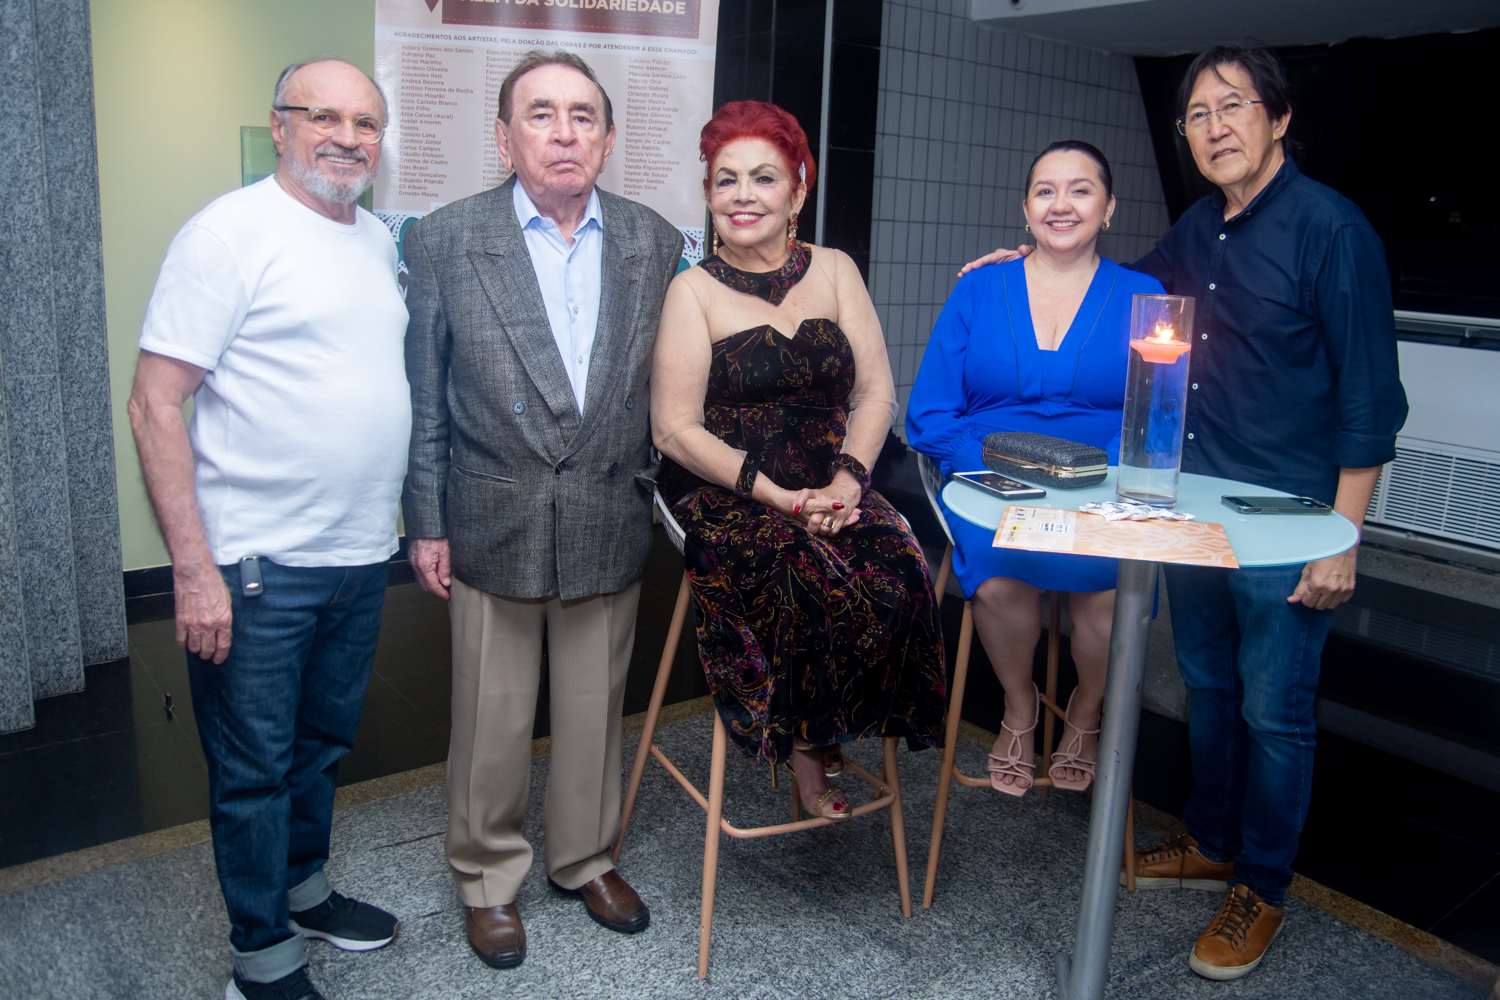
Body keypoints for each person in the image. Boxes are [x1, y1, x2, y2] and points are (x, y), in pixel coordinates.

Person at [960, 46, 1407, 981]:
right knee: (1209, 683)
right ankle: (1210, 840)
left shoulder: (1333, 231)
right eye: (1198, 115)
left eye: (1233, 106)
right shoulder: (1200, 229)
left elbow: (1372, 398)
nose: (1215, 128)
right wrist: (1030, 264)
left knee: (1276, 711)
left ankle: (1263, 886)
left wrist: (1344, 537)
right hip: (1193, 504)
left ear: (1279, 119)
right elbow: (1117, 284)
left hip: (1290, 519)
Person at [128, 60, 407, 1000]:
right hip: (255, 565)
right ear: (280, 126)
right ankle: (260, 952)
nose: (347, 137)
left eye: (365, 122)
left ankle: (303, 889)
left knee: (320, 745)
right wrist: (192, 571)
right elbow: (154, 405)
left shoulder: (374, 240)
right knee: (251, 769)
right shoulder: (227, 234)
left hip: (357, 554)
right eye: (323, 116)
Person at [401, 50, 683, 970]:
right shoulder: (445, 240)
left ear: (608, 137)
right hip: (493, 514)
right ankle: (486, 876)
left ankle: (586, 859)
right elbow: (427, 398)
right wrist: (426, 520)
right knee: (491, 714)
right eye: (541, 115)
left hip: (606, 508)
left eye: (583, 116)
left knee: (597, 707)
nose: (565, 134)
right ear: (503, 137)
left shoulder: (654, 241)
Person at [651, 100, 947, 819]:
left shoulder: (837, 270)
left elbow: (876, 394)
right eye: (726, 180)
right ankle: (808, 751)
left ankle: (837, 722)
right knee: (796, 568)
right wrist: (779, 497)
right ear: (708, 195)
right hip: (725, 486)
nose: (743, 195)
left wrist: (848, 484)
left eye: (764, 178)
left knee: (902, 563)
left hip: (833, 477)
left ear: (798, 192)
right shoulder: (691, 290)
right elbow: (674, 430)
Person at [906, 141, 1165, 799]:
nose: (1061, 204)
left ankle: (1084, 712)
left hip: (1102, 484)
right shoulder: (978, 288)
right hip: (992, 481)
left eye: (1081, 189)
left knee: (1111, 595)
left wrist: (1100, 476)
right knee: (998, 584)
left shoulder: (1145, 296)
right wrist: (992, 469)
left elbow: (1157, 418)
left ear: (1109, 208)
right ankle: (1019, 708)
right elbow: (929, 413)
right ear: (1025, 210)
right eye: (1045, 191)